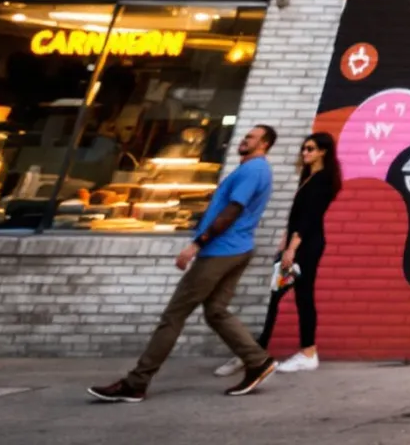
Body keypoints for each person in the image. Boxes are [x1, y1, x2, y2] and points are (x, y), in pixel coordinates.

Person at [88, 124, 281, 401]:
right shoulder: (254, 169)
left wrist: (196, 244)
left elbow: (231, 212)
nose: (244, 139)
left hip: (220, 250)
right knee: (215, 311)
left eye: (251, 137)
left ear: (264, 144)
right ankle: (258, 361)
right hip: (236, 248)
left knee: (174, 315)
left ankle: (136, 382)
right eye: (246, 135)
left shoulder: (254, 170)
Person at [231, 131, 341, 375]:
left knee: (296, 295)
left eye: (310, 149)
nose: (305, 153)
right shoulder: (309, 176)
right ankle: (261, 353)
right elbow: (298, 215)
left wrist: (292, 248)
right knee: (282, 295)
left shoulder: (322, 180)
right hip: (299, 243)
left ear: (323, 151)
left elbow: (310, 218)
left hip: (307, 245)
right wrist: (284, 239)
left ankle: (303, 352)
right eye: (304, 149)